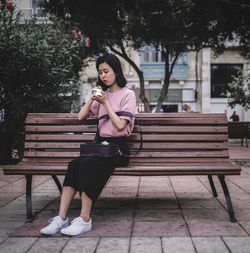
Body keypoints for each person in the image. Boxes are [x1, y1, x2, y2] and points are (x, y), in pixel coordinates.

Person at [40, 53, 136, 236]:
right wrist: (93, 98)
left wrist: (106, 103)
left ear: (116, 71)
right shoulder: (102, 95)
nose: (103, 76)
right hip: (99, 147)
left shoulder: (128, 94)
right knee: (74, 164)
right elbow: (80, 116)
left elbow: (121, 125)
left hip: (117, 149)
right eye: (100, 72)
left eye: (106, 71)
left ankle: (84, 219)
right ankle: (61, 218)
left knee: (88, 164)